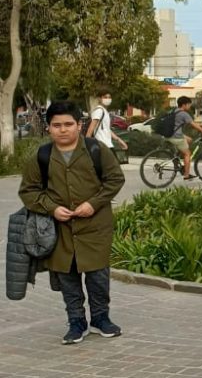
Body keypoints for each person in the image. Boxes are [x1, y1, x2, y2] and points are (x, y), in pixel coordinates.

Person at [19, 101, 125, 345]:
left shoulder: (96, 150)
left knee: (98, 276)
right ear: (49, 128)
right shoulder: (42, 156)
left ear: (79, 125)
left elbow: (115, 179)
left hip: (95, 226)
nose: (63, 129)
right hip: (59, 229)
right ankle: (76, 321)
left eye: (68, 124)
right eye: (57, 125)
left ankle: (100, 318)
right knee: (67, 278)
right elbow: (29, 191)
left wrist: (93, 203)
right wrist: (52, 208)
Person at [168, 96, 202, 180]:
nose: (189, 106)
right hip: (175, 135)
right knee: (188, 153)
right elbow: (194, 125)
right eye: (189, 104)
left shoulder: (173, 111)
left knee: (189, 140)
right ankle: (186, 175)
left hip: (169, 133)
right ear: (184, 105)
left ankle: (176, 157)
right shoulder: (184, 114)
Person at [85, 89, 128, 156]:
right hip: (102, 146)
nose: (108, 99)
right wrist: (86, 145)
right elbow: (91, 128)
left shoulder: (104, 111)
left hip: (107, 145)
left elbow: (107, 129)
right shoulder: (99, 111)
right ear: (99, 99)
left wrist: (119, 140)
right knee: (114, 165)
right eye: (105, 97)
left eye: (109, 97)